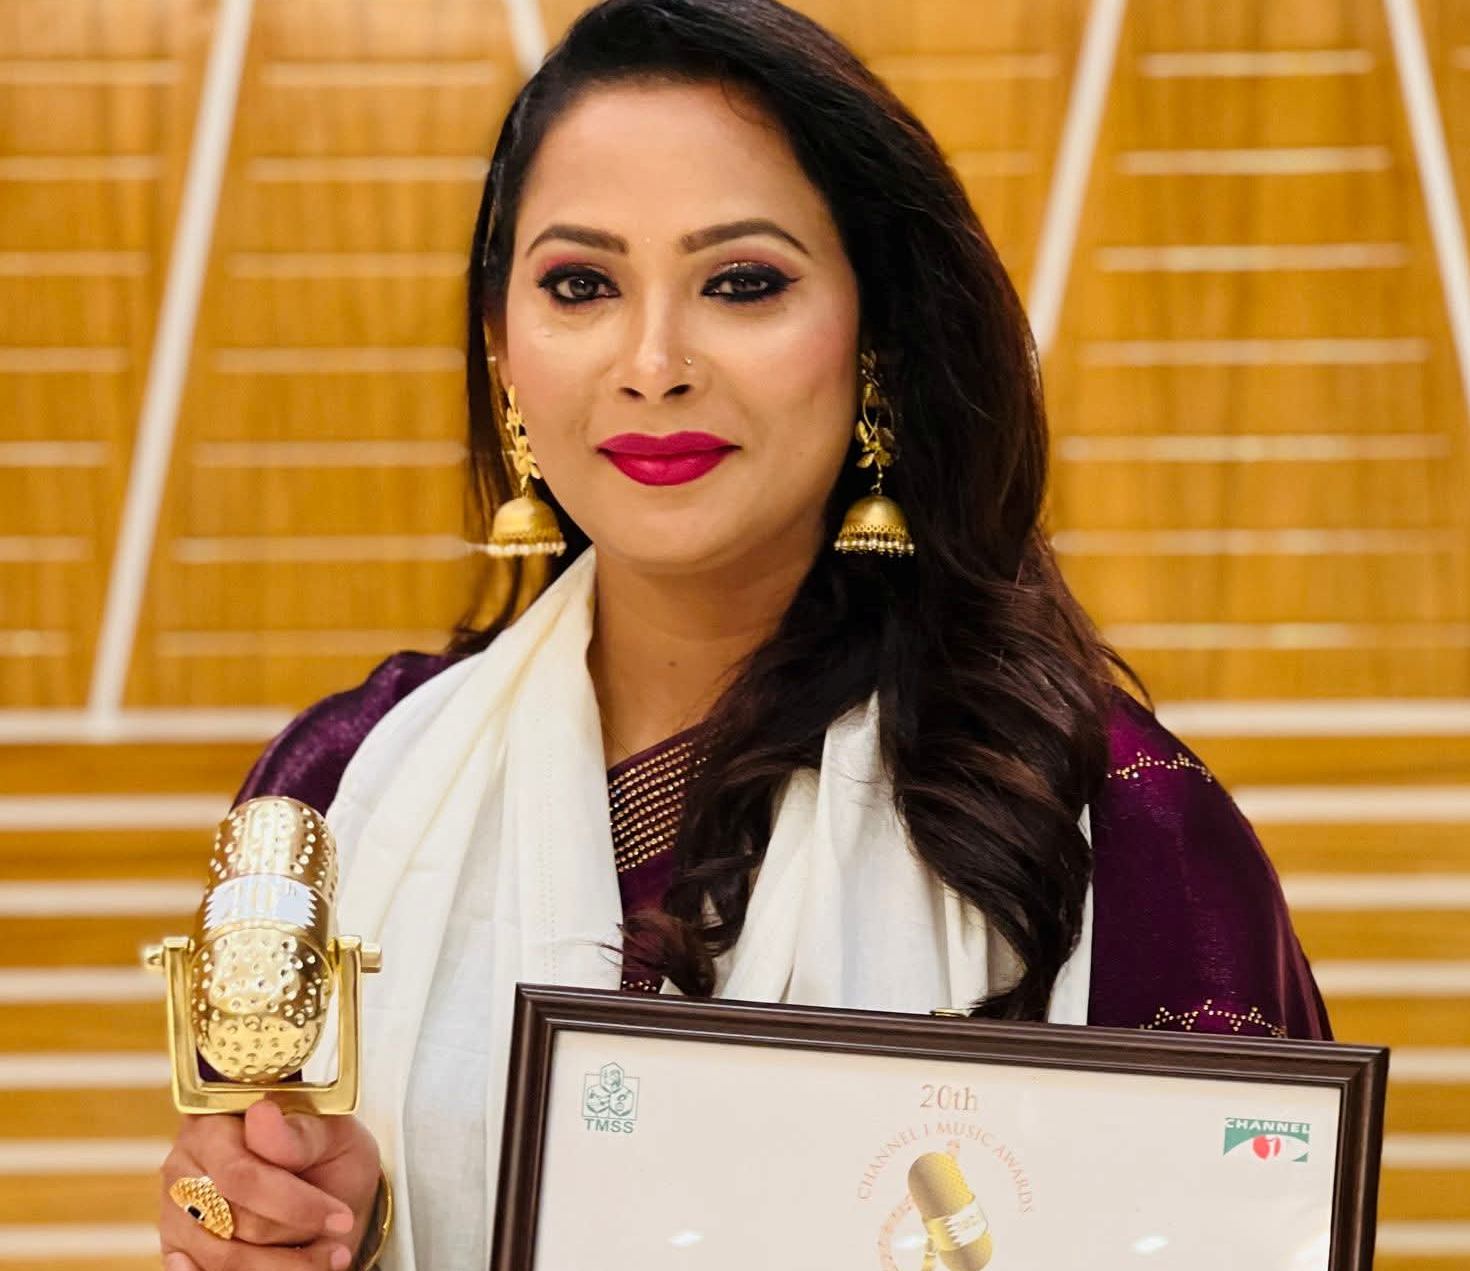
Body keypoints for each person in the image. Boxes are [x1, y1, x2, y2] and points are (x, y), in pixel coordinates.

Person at [156, 1, 1330, 1267]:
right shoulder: (349, 788)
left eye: (743, 283)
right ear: (503, 347)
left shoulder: (1094, 811)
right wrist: (293, 1228)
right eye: (581, 285)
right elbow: (252, 1193)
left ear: (877, 337)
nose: (653, 361)